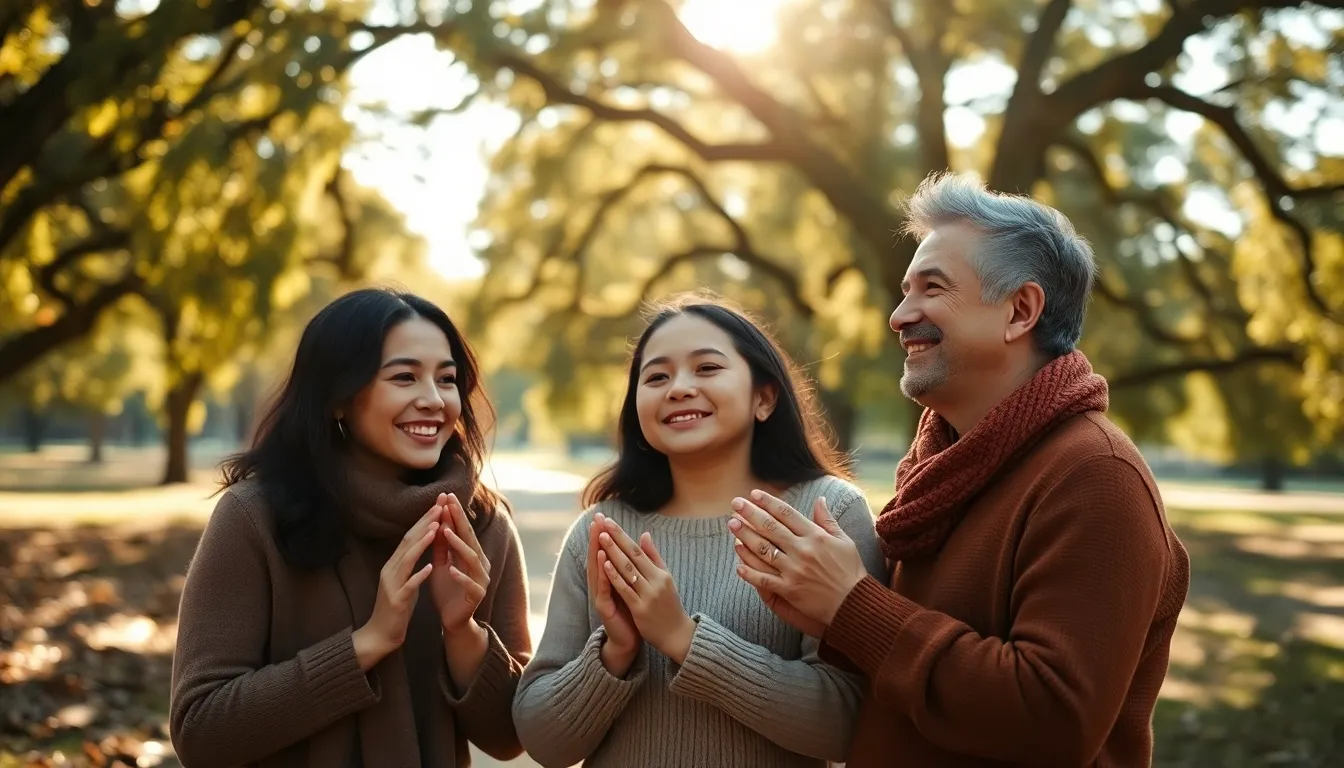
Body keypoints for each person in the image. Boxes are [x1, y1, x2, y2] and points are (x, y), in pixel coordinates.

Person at [732, 172, 1192, 767]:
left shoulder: (1094, 475)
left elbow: (1054, 720)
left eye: (932, 287)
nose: (900, 315)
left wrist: (853, 606)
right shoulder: (937, 473)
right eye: (904, 290)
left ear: (1020, 311)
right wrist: (825, 617)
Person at [512, 294, 888, 768]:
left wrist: (684, 640)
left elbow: (853, 725)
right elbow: (542, 741)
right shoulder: (601, 532)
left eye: (707, 368)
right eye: (656, 376)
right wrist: (614, 653)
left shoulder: (826, 513)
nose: (679, 388)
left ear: (764, 398)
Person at [169, 288, 532, 768]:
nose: (433, 400)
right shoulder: (254, 517)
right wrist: (369, 641)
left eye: (447, 380)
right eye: (404, 377)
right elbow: (201, 730)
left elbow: (509, 738)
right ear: (338, 398)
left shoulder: (482, 526)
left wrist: (462, 631)